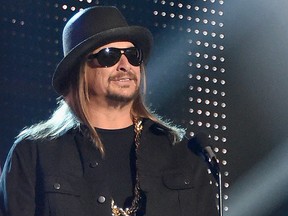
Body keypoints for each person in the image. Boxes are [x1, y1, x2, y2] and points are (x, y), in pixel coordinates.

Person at [0, 6, 218, 216]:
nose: (125, 64)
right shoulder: (34, 153)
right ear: (79, 71)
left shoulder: (181, 153)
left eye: (133, 55)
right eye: (109, 55)